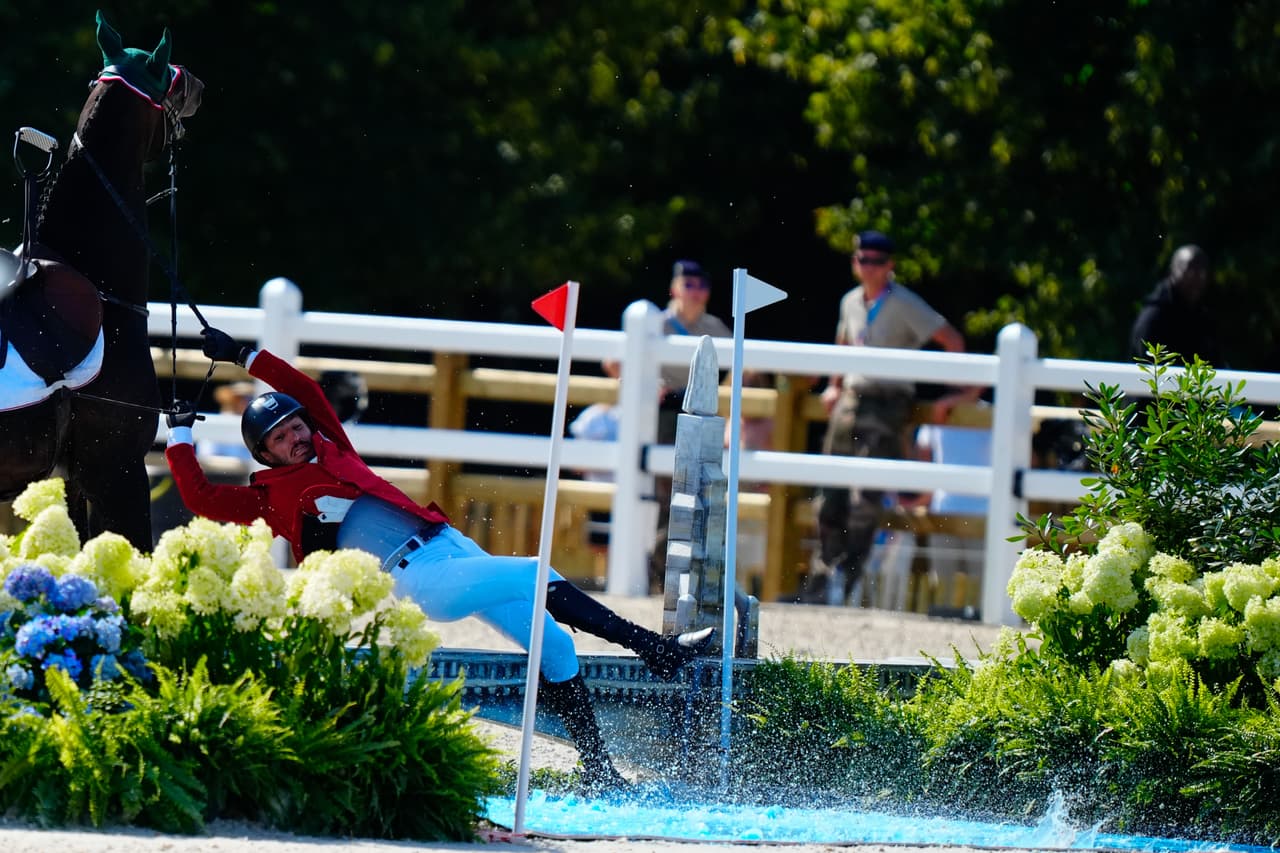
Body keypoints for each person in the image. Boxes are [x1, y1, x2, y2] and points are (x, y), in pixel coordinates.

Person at [164, 327, 715, 793]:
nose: (296, 440)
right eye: (281, 440)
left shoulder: (332, 445)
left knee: (556, 642)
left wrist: (244, 355)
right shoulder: (269, 500)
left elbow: (301, 386)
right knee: (536, 570)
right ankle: (655, 649)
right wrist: (181, 436)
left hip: (449, 545)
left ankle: (598, 772)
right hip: (419, 578)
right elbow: (201, 498)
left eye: (297, 427)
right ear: (263, 455)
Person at [812, 230, 978, 606]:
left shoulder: (904, 303)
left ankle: (848, 579)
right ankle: (827, 575)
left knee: (865, 499)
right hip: (851, 400)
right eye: (862, 259)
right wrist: (833, 385)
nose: (868, 267)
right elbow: (844, 343)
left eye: (876, 260)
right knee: (827, 493)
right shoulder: (850, 301)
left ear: (890, 266)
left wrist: (958, 393)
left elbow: (951, 340)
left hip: (887, 402)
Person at [606, 259, 732, 592]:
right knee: (664, 495)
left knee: (685, 493)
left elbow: (739, 372)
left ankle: (660, 570)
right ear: (674, 288)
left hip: (694, 414)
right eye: (688, 284)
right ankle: (654, 569)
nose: (695, 292)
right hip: (658, 416)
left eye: (700, 285)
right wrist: (647, 383)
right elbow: (614, 363)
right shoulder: (656, 324)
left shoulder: (715, 328)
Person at [1129, 244, 1221, 365]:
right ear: (1173, 270)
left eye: (1202, 271)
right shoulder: (1154, 317)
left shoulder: (1203, 317)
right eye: (1190, 270)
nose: (1197, 278)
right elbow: (1146, 369)